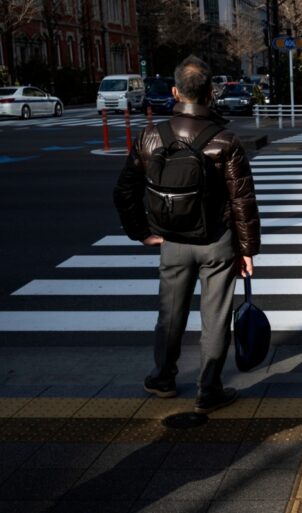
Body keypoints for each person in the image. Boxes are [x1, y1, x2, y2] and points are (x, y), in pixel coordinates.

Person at [113, 55, 261, 415]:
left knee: (170, 313)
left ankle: (162, 377)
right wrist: (247, 249)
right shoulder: (225, 140)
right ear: (210, 93)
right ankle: (208, 389)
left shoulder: (152, 135)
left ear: (177, 91)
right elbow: (242, 199)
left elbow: (124, 190)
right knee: (216, 318)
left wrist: (142, 233)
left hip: (173, 242)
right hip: (217, 242)